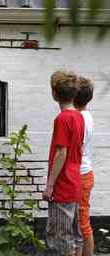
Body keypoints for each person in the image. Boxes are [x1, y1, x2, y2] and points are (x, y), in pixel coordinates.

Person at [43, 70, 85, 256]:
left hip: (63, 184)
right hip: (75, 181)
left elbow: (61, 153)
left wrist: (50, 186)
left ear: (54, 92)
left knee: (60, 237)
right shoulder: (79, 116)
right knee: (74, 234)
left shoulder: (63, 119)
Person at [74, 77, 94, 256]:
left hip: (80, 175)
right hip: (85, 173)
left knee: (82, 223)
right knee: (81, 222)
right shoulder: (87, 115)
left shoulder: (80, 118)